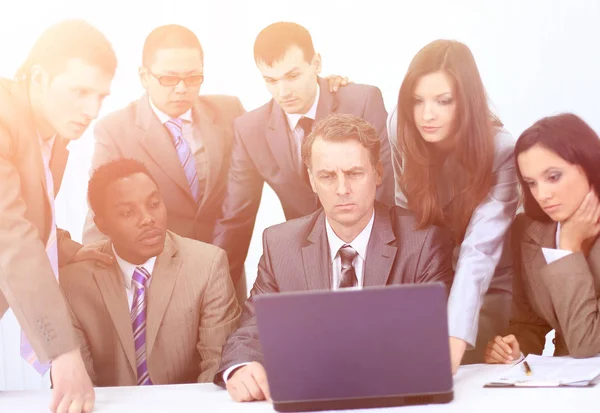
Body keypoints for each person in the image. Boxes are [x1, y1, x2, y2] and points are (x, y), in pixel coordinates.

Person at [215, 113, 454, 402]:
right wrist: (240, 367)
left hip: (392, 400)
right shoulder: (280, 244)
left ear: (378, 173)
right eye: (327, 176)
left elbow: (430, 343)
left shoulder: (423, 241)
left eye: (354, 173)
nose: (342, 189)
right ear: (312, 180)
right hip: (310, 400)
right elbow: (251, 329)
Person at [212, 22, 394, 291]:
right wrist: (211, 287)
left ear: (316, 63)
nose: (283, 92)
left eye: (293, 76)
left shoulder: (362, 100)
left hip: (373, 250)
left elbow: (384, 185)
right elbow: (236, 219)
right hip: (307, 262)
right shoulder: (250, 129)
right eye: (271, 80)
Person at [0, 20, 116, 413]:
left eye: (101, 96)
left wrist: (63, 247)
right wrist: (64, 352)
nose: (92, 110)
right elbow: (9, 235)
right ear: (38, 76)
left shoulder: (53, 132)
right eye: (80, 91)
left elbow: (29, 208)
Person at [387, 39, 519, 372]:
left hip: (485, 287)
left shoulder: (502, 149)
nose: (426, 115)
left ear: (467, 102)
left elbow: (480, 252)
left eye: (443, 101)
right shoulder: (400, 127)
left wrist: (454, 342)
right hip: (428, 277)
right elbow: (408, 223)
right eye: (417, 101)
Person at [60, 159, 240, 385]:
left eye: (154, 204)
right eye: (127, 213)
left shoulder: (208, 265)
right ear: (102, 225)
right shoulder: (72, 281)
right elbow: (77, 383)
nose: (148, 219)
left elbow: (218, 370)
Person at [485, 113, 600, 363]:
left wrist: (569, 249)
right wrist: (514, 348)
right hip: (562, 387)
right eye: (531, 183)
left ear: (589, 165)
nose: (542, 194)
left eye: (553, 177)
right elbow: (529, 323)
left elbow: (587, 343)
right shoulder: (527, 231)